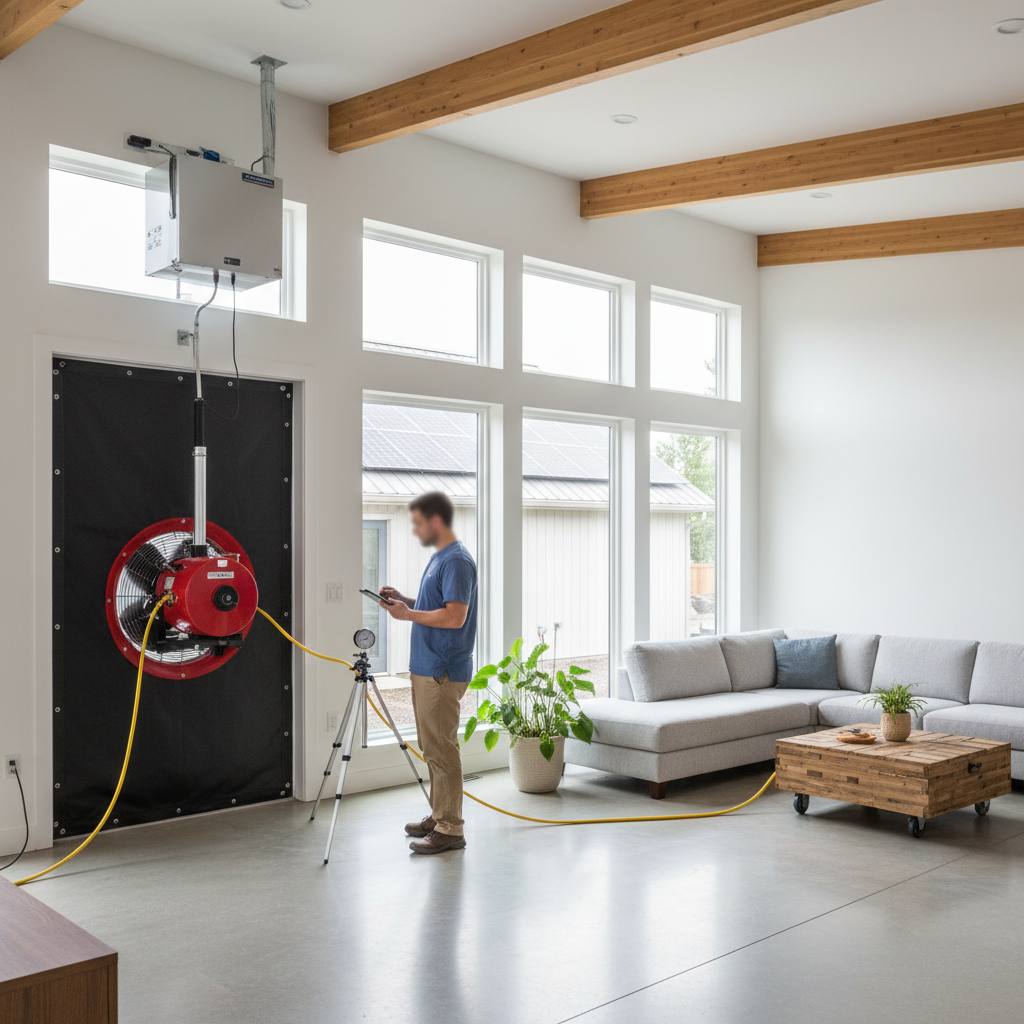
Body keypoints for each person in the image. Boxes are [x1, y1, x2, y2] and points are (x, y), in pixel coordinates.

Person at [380, 491, 477, 855]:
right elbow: (436, 606)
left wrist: (407, 615)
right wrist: (405, 600)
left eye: (419, 523)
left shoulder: (457, 561)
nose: (416, 530)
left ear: (436, 521)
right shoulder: (440, 558)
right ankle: (440, 817)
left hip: (442, 668)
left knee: (442, 748)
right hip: (426, 665)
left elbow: (455, 616)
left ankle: (450, 829)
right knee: (431, 747)